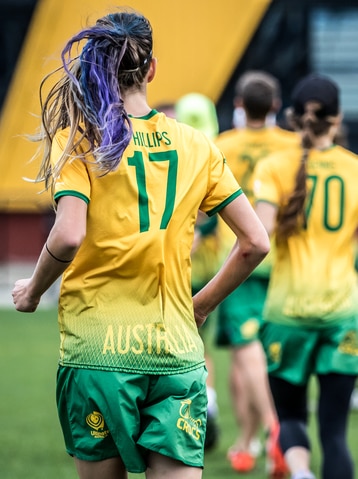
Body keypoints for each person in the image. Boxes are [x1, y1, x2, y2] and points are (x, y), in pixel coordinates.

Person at [11, 10, 270, 479]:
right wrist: (202, 304)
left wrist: (32, 290)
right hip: (175, 353)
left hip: (98, 353)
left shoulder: (80, 139)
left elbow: (69, 234)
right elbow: (255, 242)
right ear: (151, 70)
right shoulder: (198, 145)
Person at [253, 73, 358, 479]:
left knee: (291, 415)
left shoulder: (274, 167)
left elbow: (257, 241)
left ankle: (300, 474)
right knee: (334, 432)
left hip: (286, 314)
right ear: (337, 118)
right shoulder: (354, 170)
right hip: (342, 313)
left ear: (293, 117)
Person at [214, 71, 299, 476]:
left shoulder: (222, 145)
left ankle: (272, 430)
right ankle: (245, 443)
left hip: (238, 260)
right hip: (284, 263)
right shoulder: (292, 144)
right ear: (277, 106)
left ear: (239, 106)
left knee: (247, 354)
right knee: (246, 357)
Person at [175, 92, 221, 449]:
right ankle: (209, 404)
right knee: (198, 347)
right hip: (208, 270)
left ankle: (194, 411)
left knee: (180, 348)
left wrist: (192, 231)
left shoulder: (185, 152)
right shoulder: (213, 151)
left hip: (183, 271)